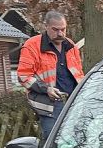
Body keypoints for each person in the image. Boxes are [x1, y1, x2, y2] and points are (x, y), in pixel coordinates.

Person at [18, 11, 84, 140]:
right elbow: (23, 76)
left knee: (77, 139)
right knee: (53, 141)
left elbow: (79, 73)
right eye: (55, 30)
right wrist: (46, 89)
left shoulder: (70, 46)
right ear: (46, 27)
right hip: (49, 104)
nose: (60, 34)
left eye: (63, 29)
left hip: (73, 102)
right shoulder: (32, 46)